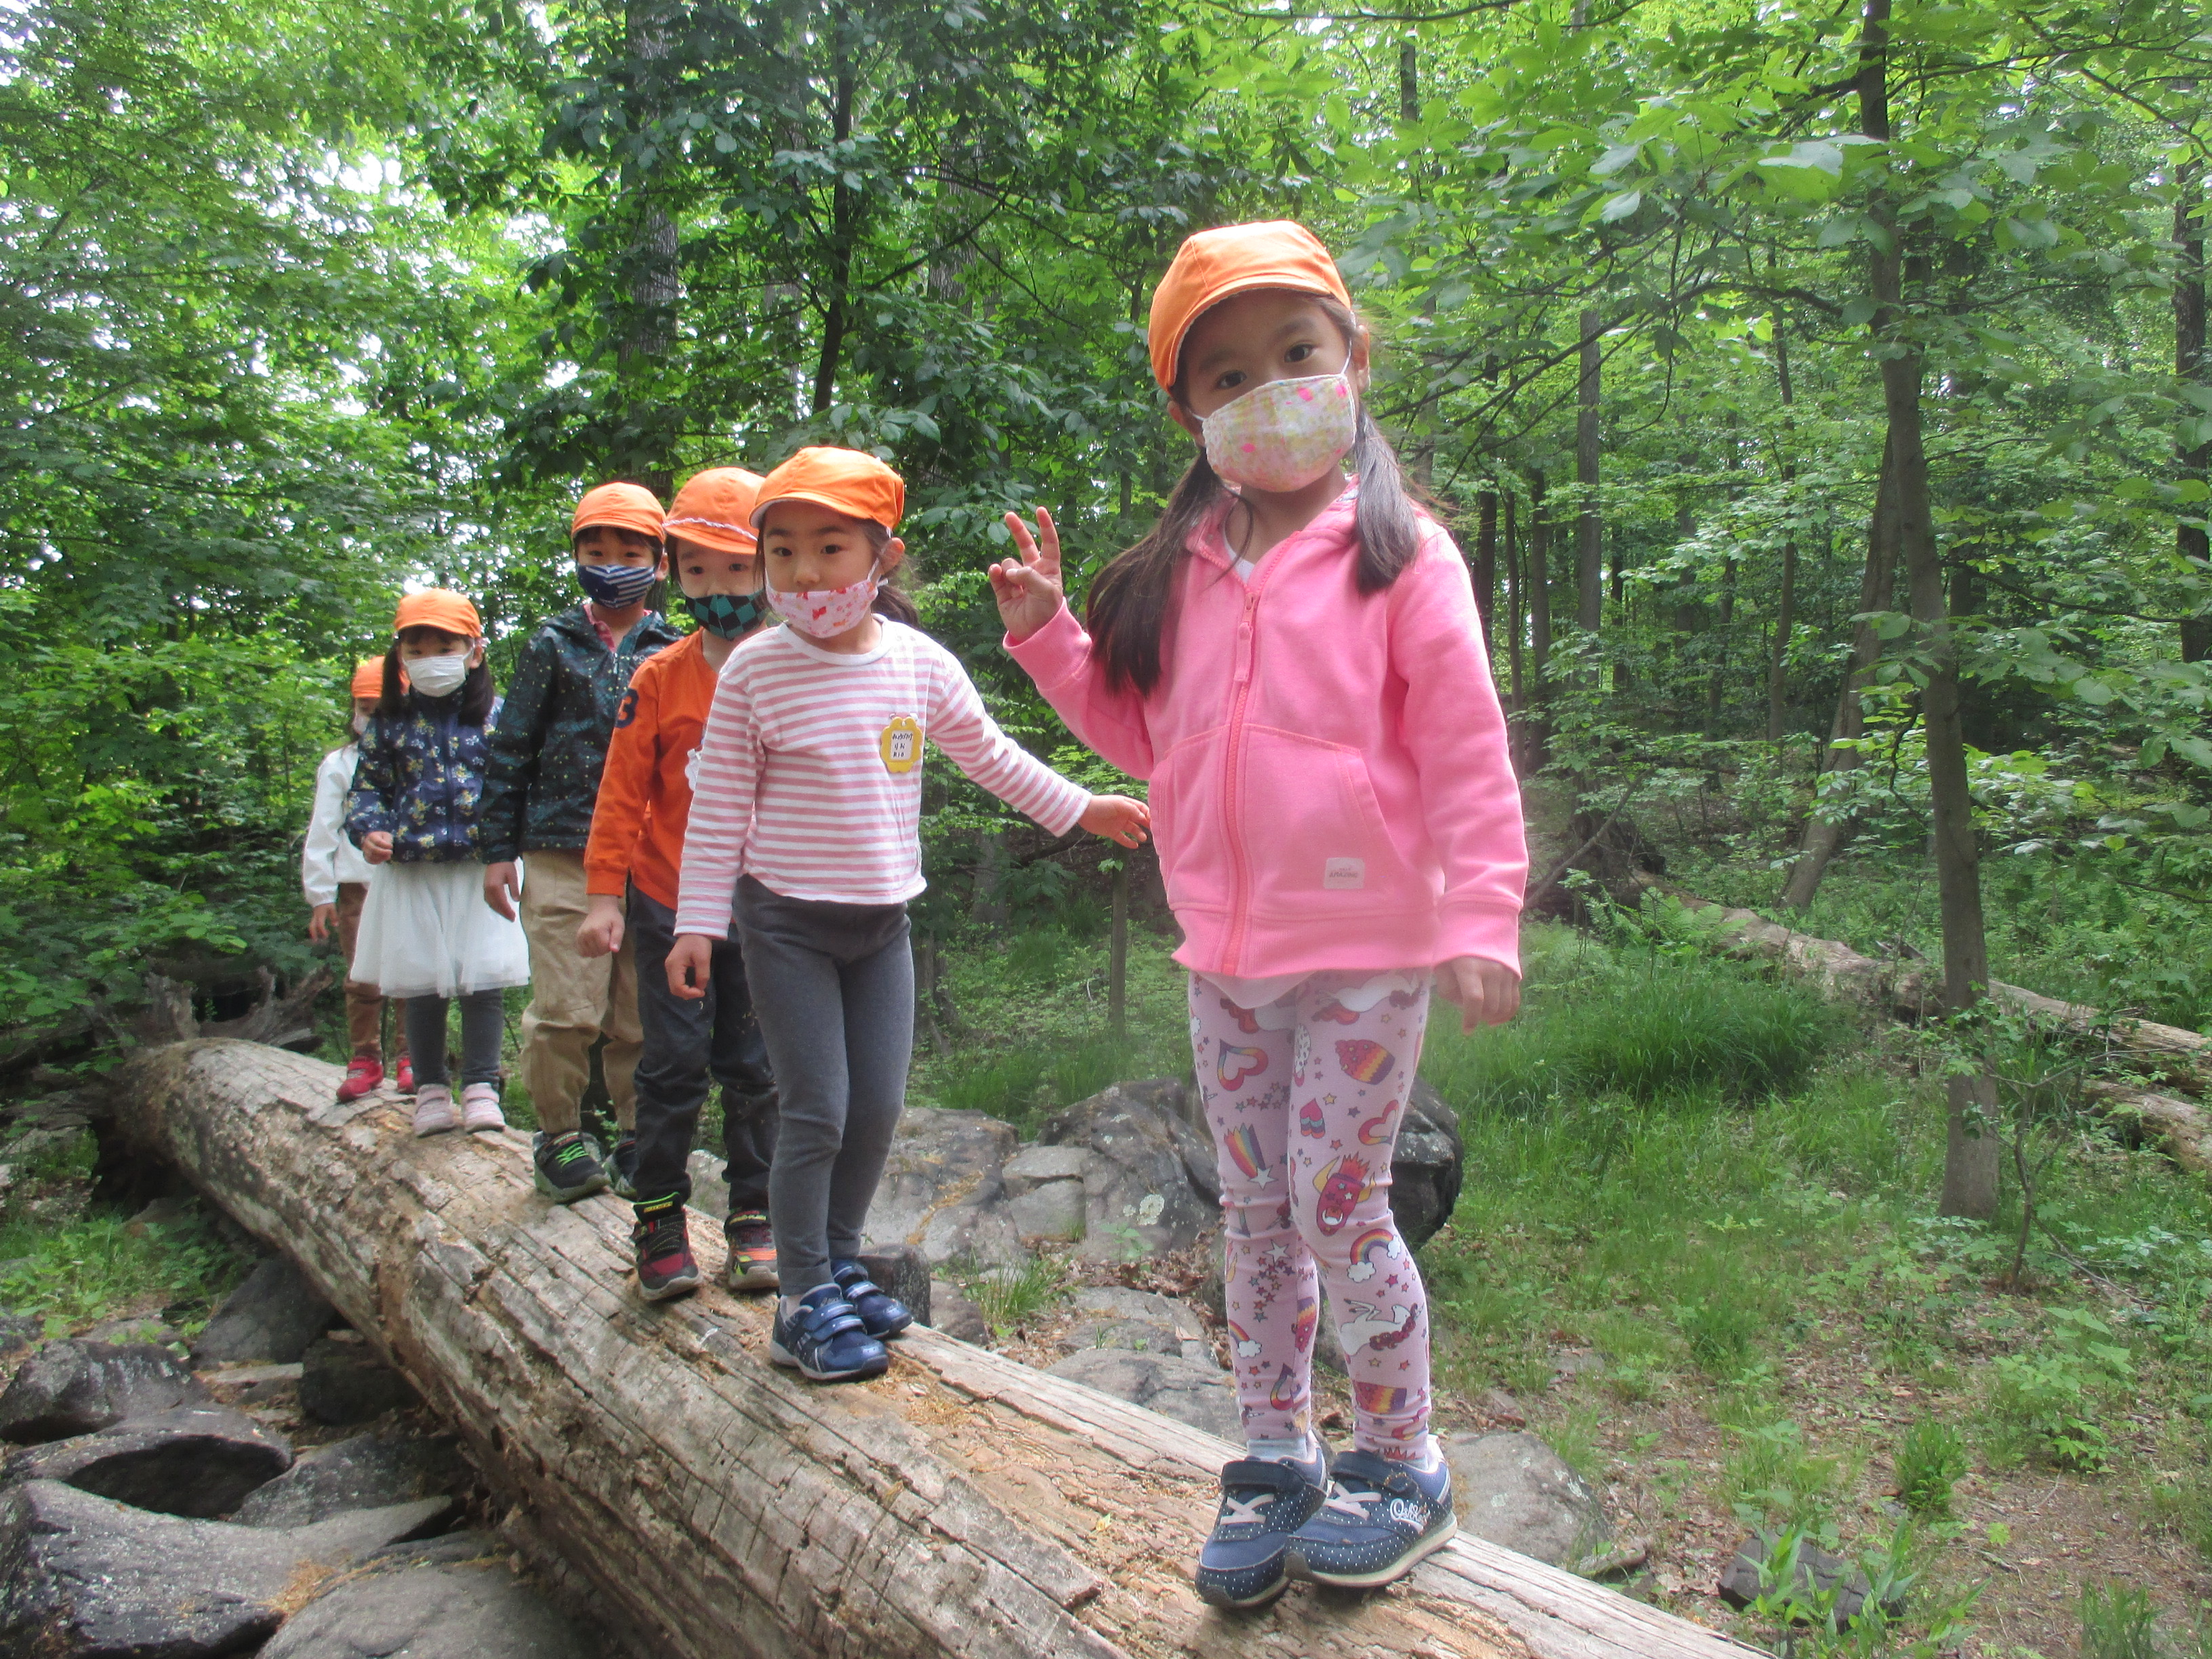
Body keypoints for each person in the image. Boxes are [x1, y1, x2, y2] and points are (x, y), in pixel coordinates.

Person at [989, 220, 1527, 1602]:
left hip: (1363, 949)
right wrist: (1052, 631)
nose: (1268, 388)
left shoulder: (1403, 557)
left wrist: (1482, 912)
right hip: (1224, 951)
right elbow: (1142, 737)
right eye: (1226, 374)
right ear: (1188, 409)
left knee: (1339, 1197)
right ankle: (1278, 1454)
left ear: (1355, 359)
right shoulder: (1183, 563)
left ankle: (1403, 1461)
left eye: (1296, 353)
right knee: (1250, 1210)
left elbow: (1466, 748)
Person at [668, 447, 1150, 1382]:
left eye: (830, 550)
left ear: (882, 558)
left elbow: (991, 754)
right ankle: (803, 1298)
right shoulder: (756, 673)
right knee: (816, 1110)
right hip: (785, 923)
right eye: (784, 553)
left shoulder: (917, 665)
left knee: (879, 1108)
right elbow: (720, 803)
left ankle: (841, 1261)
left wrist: (1079, 806)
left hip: (882, 924)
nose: (806, 575)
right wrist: (698, 923)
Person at [579, 467, 781, 1302]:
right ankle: (658, 1219)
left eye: (737, 569)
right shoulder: (657, 678)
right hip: (668, 902)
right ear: (674, 572)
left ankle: (755, 1216)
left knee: (757, 1066)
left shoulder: (792, 669)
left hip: (768, 909)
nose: (718, 587)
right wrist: (602, 894)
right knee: (669, 1065)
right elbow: (623, 792)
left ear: (770, 568)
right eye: (697, 569)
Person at [480, 483, 684, 1204]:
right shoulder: (550, 644)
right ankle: (559, 1137)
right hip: (561, 848)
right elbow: (510, 748)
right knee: (568, 1008)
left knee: (638, 1013)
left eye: (631, 552)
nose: (612, 564)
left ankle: (637, 1140)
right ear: (575, 557)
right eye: (595, 551)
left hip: (651, 855)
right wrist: (497, 846)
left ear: (661, 563)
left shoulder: (676, 647)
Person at [346, 591, 532, 1137]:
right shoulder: (390, 722)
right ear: (400, 656)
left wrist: (514, 842)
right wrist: (370, 830)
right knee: (420, 982)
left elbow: (516, 783)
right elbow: (367, 791)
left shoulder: (499, 719)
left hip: (482, 870)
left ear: (474, 652)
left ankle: (480, 1085)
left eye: (444, 646)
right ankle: (429, 1088)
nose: (431, 657)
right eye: (417, 647)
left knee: (483, 984)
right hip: (411, 870)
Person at [306, 659, 412, 1103]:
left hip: (410, 880)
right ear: (353, 709)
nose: (373, 718)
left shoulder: (418, 757)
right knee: (361, 975)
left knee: (413, 970)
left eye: (383, 708)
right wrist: (319, 895)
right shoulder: (339, 765)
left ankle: (414, 1058)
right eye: (366, 708)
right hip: (356, 887)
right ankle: (365, 1058)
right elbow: (323, 829)